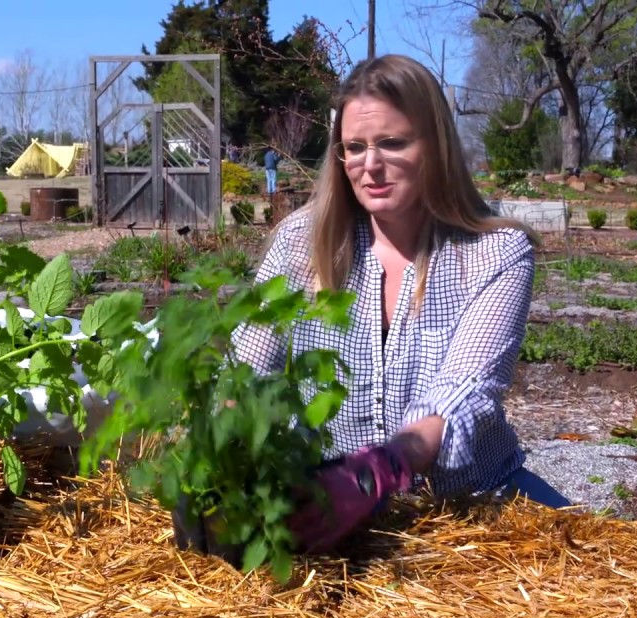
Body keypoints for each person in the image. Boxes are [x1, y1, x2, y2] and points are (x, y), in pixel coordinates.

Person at [233, 54, 572, 553]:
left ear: (434, 146)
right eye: (354, 147)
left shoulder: (495, 253)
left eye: (392, 143)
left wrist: (375, 472)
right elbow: (245, 369)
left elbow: (465, 394)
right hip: (324, 501)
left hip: (469, 501)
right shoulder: (300, 245)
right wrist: (218, 449)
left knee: (591, 564)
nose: (370, 166)